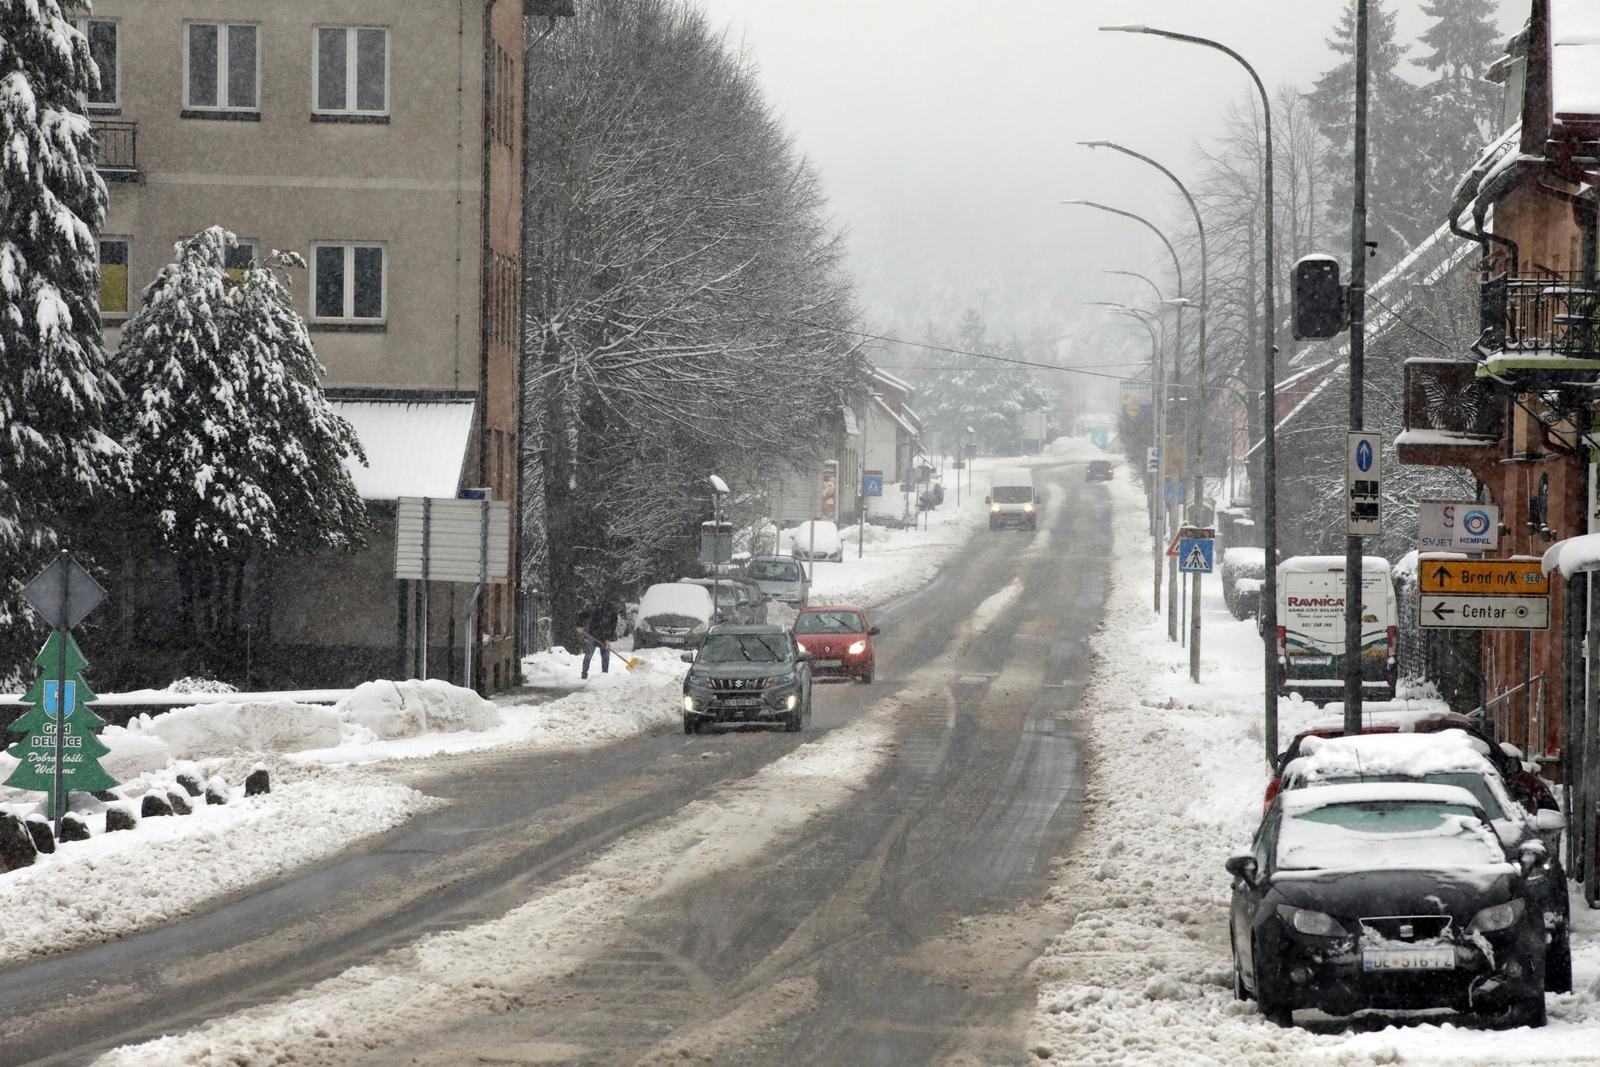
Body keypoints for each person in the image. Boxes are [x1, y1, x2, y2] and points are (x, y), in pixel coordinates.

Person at [580, 597, 620, 679]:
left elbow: (612, 629)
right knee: (588, 655)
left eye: (610, 612)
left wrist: (607, 640)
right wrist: (579, 626)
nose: (608, 614)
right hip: (593, 636)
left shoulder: (614, 616)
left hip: (604, 638)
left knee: (606, 657)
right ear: (604, 609)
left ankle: (604, 675)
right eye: (607, 612)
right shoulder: (595, 611)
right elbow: (582, 615)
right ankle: (584, 674)